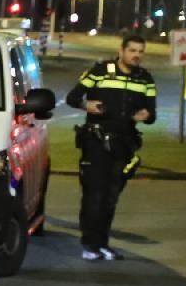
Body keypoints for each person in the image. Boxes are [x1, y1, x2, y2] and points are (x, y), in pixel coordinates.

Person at [65, 31, 157, 261]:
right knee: (94, 196)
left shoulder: (145, 78)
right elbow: (72, 97)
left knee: (110, 197)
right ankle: (89, 245)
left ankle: (103, 244)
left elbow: (152, 113)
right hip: (96, 142)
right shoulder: (99, 71)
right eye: (132, 50)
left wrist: (146, 115)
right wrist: (86, 105)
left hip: (124, 145)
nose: (137, 55)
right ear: (121, 51)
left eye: (140, 52)